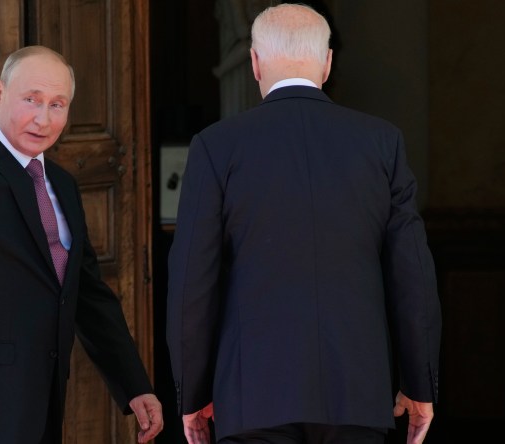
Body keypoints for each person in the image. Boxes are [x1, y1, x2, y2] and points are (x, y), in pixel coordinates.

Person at [166, 4, 441, 444]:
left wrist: (193, 395)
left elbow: (191, 285)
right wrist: (420, 384)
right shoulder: (381, 142)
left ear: (254, 62)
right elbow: (413, 275)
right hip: (357, 394)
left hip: (251, 395)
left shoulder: (216, 146)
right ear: (328, 62)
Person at [0, 45, 163, 444]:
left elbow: (88, 295)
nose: (43, 118)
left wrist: (134, 385)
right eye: (31, 100)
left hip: (43, 406)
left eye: (58, 104)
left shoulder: (64, 186)